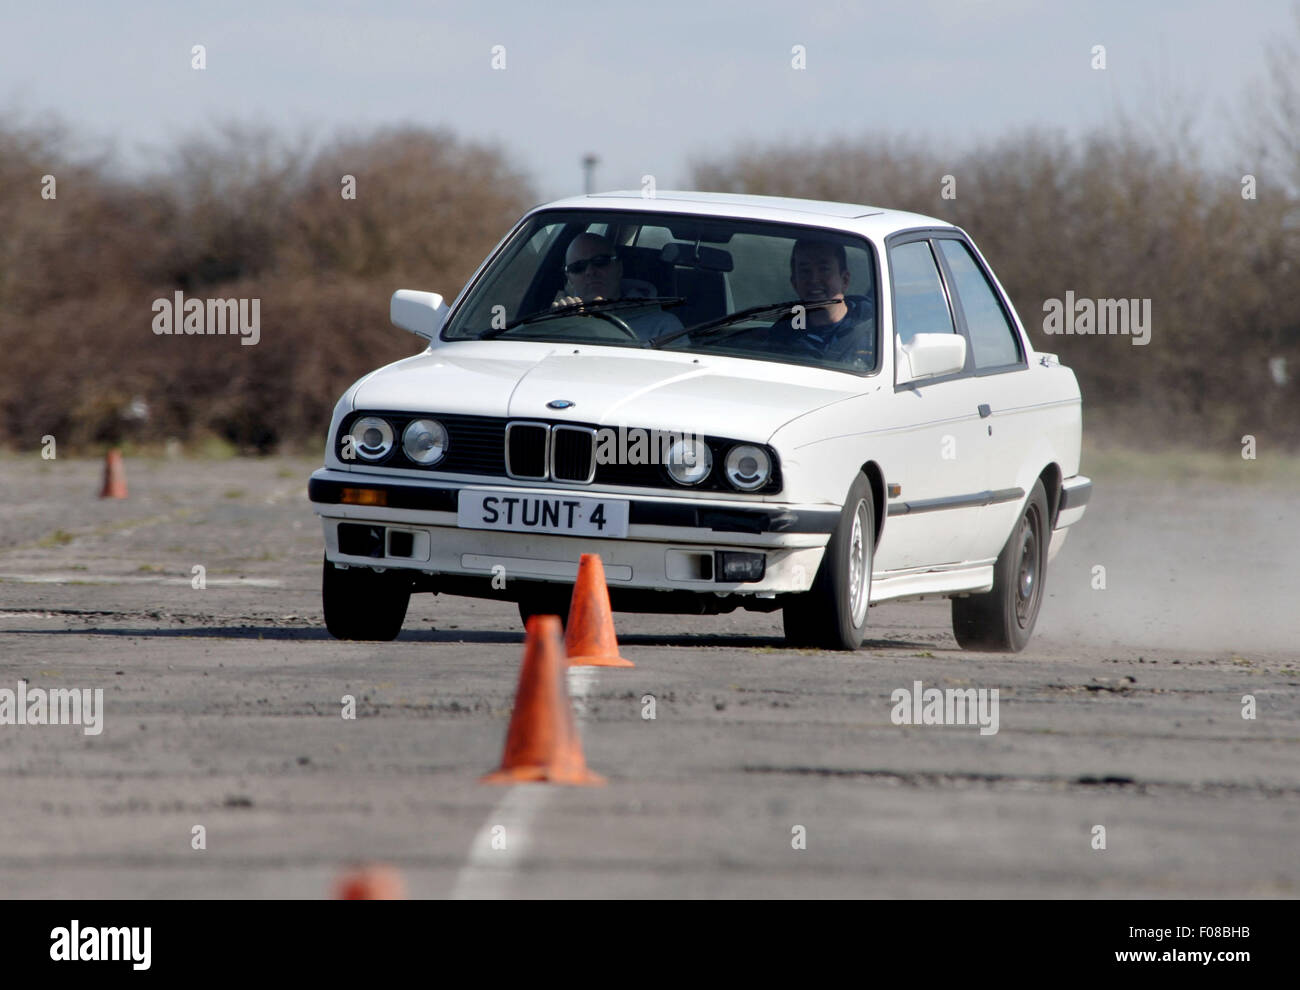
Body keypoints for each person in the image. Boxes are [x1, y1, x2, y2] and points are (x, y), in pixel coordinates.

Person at [763, 239, 875, 370]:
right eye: (805, 271)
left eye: (824, 269)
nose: (814, 279)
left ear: (845, 280)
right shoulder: (782, 336)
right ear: (794, 283)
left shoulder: (877, 327)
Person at [552, 233, 682, 340]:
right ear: (569, 278)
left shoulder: (662, 325)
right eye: (578, 267)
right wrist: (563, 324)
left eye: (600, 262)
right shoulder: (553, 321)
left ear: (619, 268)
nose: (590, 271)